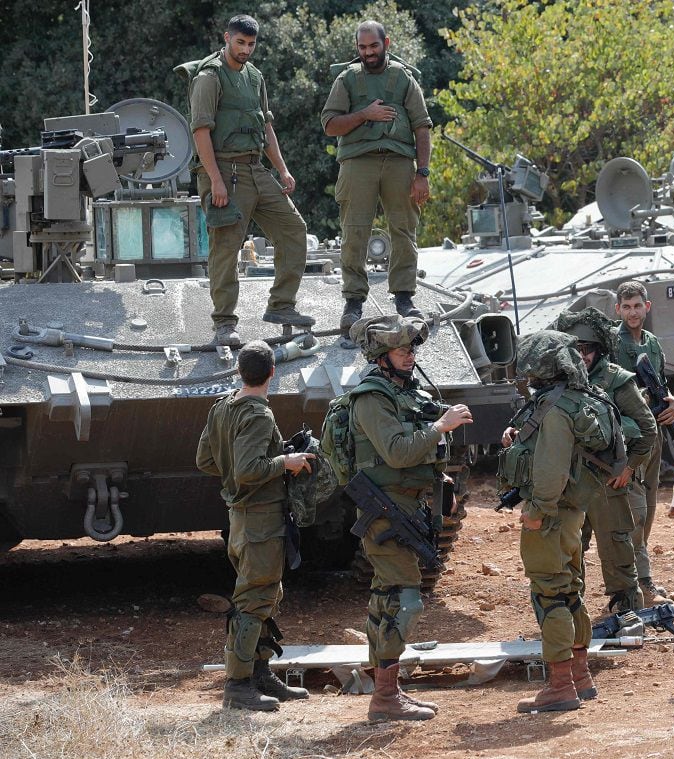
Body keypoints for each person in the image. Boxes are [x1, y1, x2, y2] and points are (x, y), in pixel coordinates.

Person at [345, 314, 473, 721]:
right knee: (405, 601)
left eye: (412, 349)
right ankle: (385, 697)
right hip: (385, 511)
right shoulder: (371, 397)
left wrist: (443, 485)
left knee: (387, 599)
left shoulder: (405, 391)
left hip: (408, 504)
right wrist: (441, 426)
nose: (409, 355)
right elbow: (398, 451)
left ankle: (386, 692)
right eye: (402, 350)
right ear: (381, 355)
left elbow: (419, 452)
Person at [196, 340, 315, 711]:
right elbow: (249, 470)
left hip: (241, 519)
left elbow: (205, 460)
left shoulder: (222, 407)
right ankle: (238, 685)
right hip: (260, 520)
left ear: (238, 372)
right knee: (253, 600)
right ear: (273, 373)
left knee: (265, 595)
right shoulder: (258, 415)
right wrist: (285, 462)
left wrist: (234, 475)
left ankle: (261, 674)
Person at [185, 14, 314, 347]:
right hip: (223, 171)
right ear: (227, 37)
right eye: (240, 42)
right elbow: (200, 131)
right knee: (226, 247)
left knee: (293, 229)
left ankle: (282, 305)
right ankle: (224, 324)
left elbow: (266, 127)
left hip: (256, 169)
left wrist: (282, 169)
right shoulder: (209, 77)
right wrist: (215, 180)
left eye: (251, 44)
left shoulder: (255, 76)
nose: (245, 49)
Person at [501, 330, 611, 713]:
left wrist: (536, 511)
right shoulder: (580, 398)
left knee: (550, 593)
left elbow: (550, 468)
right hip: (572, 511)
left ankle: (560, 685)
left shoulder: (555, 407)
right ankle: (580, 676)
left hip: (550, 513)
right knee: (570, 588)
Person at [322, 20, 433, 326]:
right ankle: (354, 302)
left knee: (404, 230)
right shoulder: (346, 80)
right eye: (362, 47)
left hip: (399, 162)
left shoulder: (404, 79)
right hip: (358, 162)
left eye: (373, 46)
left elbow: (422, 127)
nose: (368, 52)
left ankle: (404, 297)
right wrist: (364, 115)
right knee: (354, 231)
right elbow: (330, 125)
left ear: (387, 43)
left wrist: (422, 173)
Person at [553, 307, 657, 612]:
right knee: (569, 547)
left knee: (616, 547)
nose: (582, 356)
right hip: (570, 480)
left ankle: (626, 607)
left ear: (599, 350)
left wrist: (629, 467)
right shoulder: (560, 379)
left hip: (607, 481)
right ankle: (572, 607)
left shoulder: (616, 380)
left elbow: (648, 428)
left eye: (588, 349)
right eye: (576, 349)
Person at [611, 280, 674, 601]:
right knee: (635, 512)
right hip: (631, 439)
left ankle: (640, 577)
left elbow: (661, 387)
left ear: (647, 307)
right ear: (618, 310)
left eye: (637, 306)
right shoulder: (614, 344)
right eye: (626, 307)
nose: (632, 312)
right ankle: (639, 582)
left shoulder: (652, 343)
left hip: (654, 435)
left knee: (650, 508)